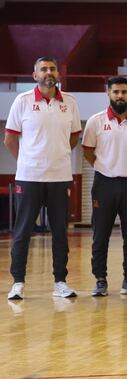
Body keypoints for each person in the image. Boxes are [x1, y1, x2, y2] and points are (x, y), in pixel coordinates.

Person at [5, 56, 82, 300]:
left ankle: (60, 281)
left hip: (59, 176)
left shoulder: (69, 101)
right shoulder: (22, 101)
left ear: (58, 74)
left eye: (52, 69)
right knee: (22, 231)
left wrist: (58, 155)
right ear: (34, 75)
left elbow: (73, 138)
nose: (49, 72)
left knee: (60, 231)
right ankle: (18, 282)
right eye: (43, 69)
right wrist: (27, 161)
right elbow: (9, 139)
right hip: (29, 177)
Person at [82, 76, 127, 297]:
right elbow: (87, 151)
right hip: (104, 184)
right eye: (116, 92)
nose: (120, 96)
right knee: (100, 235)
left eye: (123, 92)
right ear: (108, 93)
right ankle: (100, 279)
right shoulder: (96, 121)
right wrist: (105, 167)